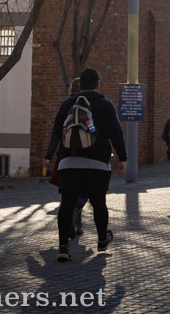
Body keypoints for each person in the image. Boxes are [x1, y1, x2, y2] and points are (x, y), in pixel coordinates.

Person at [48, 68, 127, 263]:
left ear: (80, 85)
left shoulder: (67, 103)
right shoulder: (106, 105)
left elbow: (57, 130)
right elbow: (116, 132)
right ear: (98, 84)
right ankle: (101, 239)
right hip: (97, 163)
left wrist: (51, 155)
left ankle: (63, 247)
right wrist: (122, 158)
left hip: (68, 162)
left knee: (67, 204)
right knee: (99, 203)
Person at [43, 77, 89, 235]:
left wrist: (48, 155)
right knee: (84, 190)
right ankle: (77, 217)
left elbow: (56, 133)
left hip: (66, 155)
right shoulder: (91, 104)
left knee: (68, 192)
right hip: (86, 155)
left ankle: (71, 225)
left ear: (71, 89)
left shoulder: (65, 104)